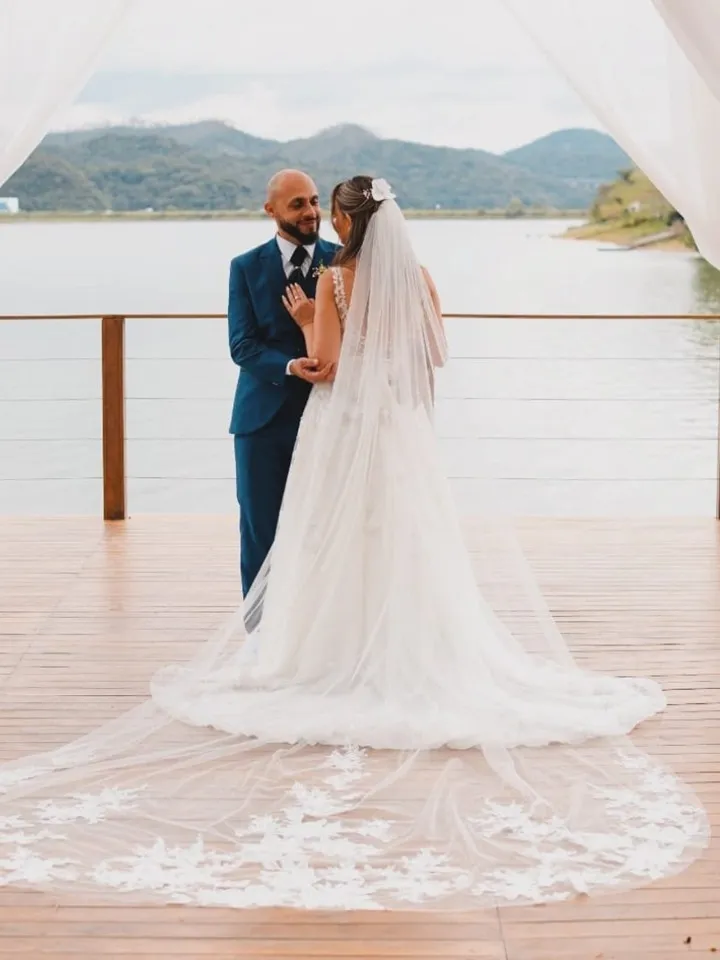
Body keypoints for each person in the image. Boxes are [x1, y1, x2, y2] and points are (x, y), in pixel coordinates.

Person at [0, 176, 707, 912]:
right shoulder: (414, 275)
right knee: (394, 542)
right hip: (395, 434)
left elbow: (330, 364)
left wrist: (312, 319)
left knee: (329, 541)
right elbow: (433, 355)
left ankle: (316, 655)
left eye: (324, 206)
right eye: (300, 204)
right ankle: (385, 648)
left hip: (339, 428)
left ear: (343, 218)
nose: (316, 215)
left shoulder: (335, 278)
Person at [228, 169, 339, 601]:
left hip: (329, 416)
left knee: (326, 527)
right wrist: (291, 365)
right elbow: (242, 346)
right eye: (298, 204)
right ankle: (259, 627)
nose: (310, 212)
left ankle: (315, 623)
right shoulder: (244, 267)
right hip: (262, 420)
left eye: (314, 201)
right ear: (271, 210)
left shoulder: (343, 262)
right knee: (259, 528)